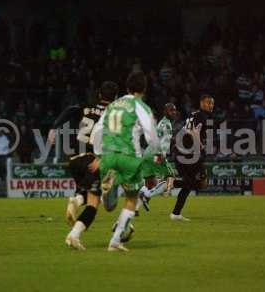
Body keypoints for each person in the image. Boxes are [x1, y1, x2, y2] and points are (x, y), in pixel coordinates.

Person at [95, 71, 161, 252]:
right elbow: (151, 135)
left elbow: (98, 130)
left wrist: (98, 153)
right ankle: (115, 240)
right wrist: (156, 154)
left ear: (126, 87)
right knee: (132, 198)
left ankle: (112, 181)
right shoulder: (140, 106)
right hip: (129, 156)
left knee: (109, 206)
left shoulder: (112, 105)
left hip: (108, 155)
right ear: (144, 89)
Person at [48, 82, 118, 251]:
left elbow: (70, 110)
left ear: (99, 94)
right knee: (94, 203)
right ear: (115, 97)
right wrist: (101, 158)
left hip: (72, 159)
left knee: (89, 193)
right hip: (91, 160)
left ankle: (77, 202)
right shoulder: (113, 114)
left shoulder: (87, 106)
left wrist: (55, 127)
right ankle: (74, 233)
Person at [171, 94, 214, 221]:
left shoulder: (194, 113)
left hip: (182, 151)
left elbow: (189, 129)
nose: (210, 105)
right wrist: (200, 145)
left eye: (212, 103)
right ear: (201, 103)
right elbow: (194, 131)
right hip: (188, 153)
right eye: (208, 102)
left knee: (189, 184)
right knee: (200, 182)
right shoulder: (202, 116)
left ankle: (176, 213)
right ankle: (170, 183)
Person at [135, 103, 178, 215]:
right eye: (171, 110)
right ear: (165, 111)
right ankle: (147, 194)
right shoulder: (167, 125)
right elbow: (164, 142)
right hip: (156, 154)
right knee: (170, 176)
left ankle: (135, 208)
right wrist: (161, 155)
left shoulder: (161, 123)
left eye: (174, 110)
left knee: (149, 183)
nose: (173, 112)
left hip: (148, 153)